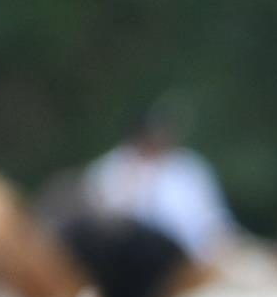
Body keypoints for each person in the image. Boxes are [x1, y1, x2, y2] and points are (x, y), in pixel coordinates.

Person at [80, 103, 235, 262]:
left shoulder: (188, 167)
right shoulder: (112, 168)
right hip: (128, 256)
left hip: (190, 255)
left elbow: (209, 220)